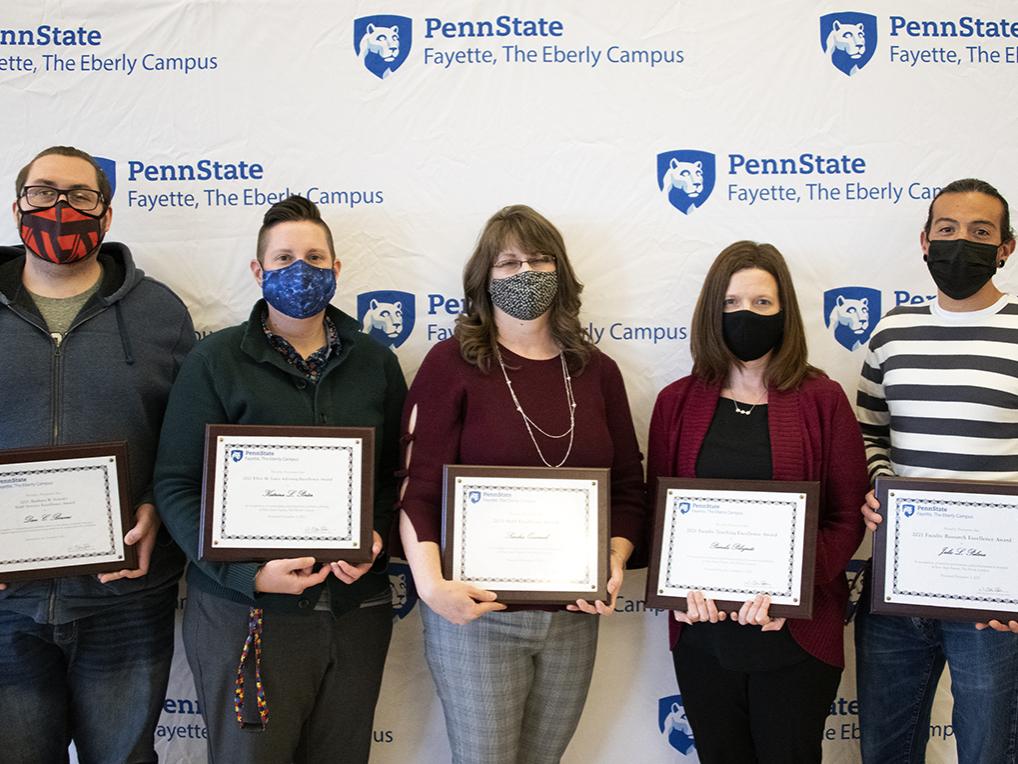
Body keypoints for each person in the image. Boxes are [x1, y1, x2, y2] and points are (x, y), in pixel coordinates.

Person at [154, 195, 406, 763]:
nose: (301, 270)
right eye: (284, 256)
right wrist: (247, 575)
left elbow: (397, 475)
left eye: (315, 257)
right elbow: (175, 486)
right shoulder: (214, 361)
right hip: (242, 616)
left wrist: (379, 537)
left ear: (337, 270)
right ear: (257, 270)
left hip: (353, 612)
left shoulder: (375, 362)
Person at [397, 204, 646, 764]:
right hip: (476, 616)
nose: (525, 273)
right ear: (484, 279)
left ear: (561, 273)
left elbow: (629, 486)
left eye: (539, 260)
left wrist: (614, 556)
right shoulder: (451, 365)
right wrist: (433, 587)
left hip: (573, 617)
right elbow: (416, 489)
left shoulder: (597, 371)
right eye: (508, 263)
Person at [0, 146, 195, 763]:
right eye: (44, 192)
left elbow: (187, 445)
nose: (61, 207)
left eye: (81, 196)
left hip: (125, 596)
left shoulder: (160, 311)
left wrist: (155, 509)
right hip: (7, 602)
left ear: (106, 216)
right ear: (17, 208)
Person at [646, 240, 867, 763]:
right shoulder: (676, 402)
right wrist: (681, 589)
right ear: (710, 312)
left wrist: (791, 588)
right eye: (732, 303)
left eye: (763, 303)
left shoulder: (822, 399)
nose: (747, 314)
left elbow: (845, 518)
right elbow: (660, 516)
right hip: (703, 637)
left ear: (785, 311)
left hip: (795, 636)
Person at [856, 178, 1018, 763]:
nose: (960, 244)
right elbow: (869, 431)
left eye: (980, 233)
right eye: (947, 230)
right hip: (897, 584)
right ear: (924, 240)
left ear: (1007, 247)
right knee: (885, 750)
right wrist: (877, 484)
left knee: (988, 751)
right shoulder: (891, 332)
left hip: (994, 599)